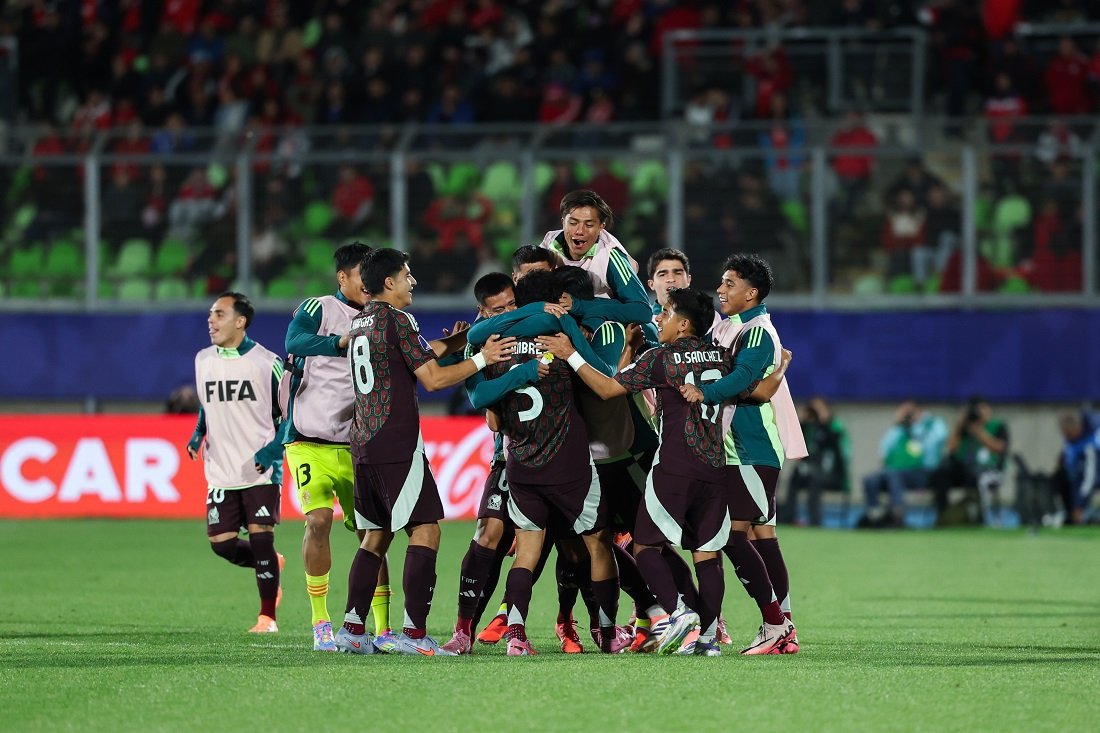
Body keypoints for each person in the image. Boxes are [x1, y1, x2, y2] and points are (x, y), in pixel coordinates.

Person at [334, 248, 514, 656]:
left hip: (363, 441)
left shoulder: (361, 322)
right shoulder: (399, 319)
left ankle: (352, 629)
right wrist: (482, 358)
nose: (412, 281)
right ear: (390, 282)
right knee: (426, 530)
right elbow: (432, 380)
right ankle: (414, 636)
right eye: (407, 275)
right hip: (396, 442)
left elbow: (411, 354)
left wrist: (455, 342)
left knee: (375, 536)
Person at [538, 287, 736, 657]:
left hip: (674, 466)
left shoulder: (660, 358)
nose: (659, 318)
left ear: (684, 325)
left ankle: (678, 613)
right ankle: (708, 639)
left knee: (645, 547)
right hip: (713, 467)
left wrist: (570, 353)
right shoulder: (724, 357)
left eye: (667, 313)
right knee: (707, 555)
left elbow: (606, 388)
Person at [474, 270, 627, 656]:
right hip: (569, 463)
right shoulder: (559, 331)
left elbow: (490, 414)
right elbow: (602, 373)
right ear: (553, 302)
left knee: (526, 552)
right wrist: (572, 346)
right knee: (598, 546)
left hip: (522, 463)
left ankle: (516, 635)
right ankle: (607, 632)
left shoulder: (498, 343)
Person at [680, 253, 799, 655]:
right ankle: (780, 625)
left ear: (751, 293)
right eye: (722, 281)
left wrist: (703, 392)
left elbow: (744, 379)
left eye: (730, 283)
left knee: (733, 535)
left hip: (751, 449)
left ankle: (775, 623)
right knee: (750, 536)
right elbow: (754, 386)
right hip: (733, 450)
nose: (721, 289)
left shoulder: (758, 332)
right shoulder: (732, 326)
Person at [281, 242, 391, 652]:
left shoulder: (383, 316)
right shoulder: (320, 308)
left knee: (372, 534)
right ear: (343, 277)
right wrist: (339, 343)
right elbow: (294, 340)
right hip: (309, 442)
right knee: (318, 521)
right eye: (361, 274)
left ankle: (382, 629)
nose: (367, 283)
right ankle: (320, 621)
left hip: (357, 445)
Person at [187, 292, 285, 633]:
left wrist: (271, 452)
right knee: (223, 545)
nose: (211, 320)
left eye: (219, 314)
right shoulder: (203, 360)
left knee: (261, 538)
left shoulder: (266, 363)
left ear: (240, 321)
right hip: (221, 469)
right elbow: (206, 405)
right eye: (211, 314)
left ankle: (267, 618)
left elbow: (289, 414)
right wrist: (198, 434)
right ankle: (271, 563)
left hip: (260, 470)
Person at [539, 188, 652, 325]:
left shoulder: (611, 257)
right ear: (563, 221)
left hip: (600, 325)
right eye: (573, 223)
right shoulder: (549, 244)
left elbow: (642, 310)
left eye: (589, 225)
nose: (580, 231)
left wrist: (579, 306)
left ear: (601, 227)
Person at [858, 400, 948, 529]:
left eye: (910, 412)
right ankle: (875, 516)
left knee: (893, 475)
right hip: (895, 471)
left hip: (924, 471)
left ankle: (898, 514)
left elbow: (934, 443)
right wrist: (899, 425)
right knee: (870, 479)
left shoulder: (933, 423)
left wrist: (916, 426)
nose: (908, 415)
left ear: (919, 410)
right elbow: (884, 449)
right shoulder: (899, 429)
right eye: (905, 412)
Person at [931, 396, 1009, 526]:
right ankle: (943, 516)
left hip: (990, 470)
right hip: (966, 470)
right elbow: (951, 449)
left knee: (977, 477)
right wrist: (960, 424)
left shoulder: (998, 426)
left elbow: (999, 448)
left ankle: (980, 519)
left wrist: (978, 431)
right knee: (941, 475)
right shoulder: (965, 427)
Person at [782, 397, 851, 527]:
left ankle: (815, 521)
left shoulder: (834, 426)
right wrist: (802, 423)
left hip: (833, 473)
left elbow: (837, 449)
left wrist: (825, 422)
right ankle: (789, 517)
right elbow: (801, 448)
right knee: (795, 477)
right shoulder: (811, 428)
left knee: (815, 481)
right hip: (813, 471)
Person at [1053, 409, 1100, 525]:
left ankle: (1077, 514)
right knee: (1060, 478)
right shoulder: (1072, 441)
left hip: (1091, 477)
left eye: (1068, 434)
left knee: (1081, 487)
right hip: (1078, 477)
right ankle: (1069, 514)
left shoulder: (1091, 446)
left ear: (1077, 429)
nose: (1066, 437)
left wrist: (1079, 505)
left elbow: (1089, 479)